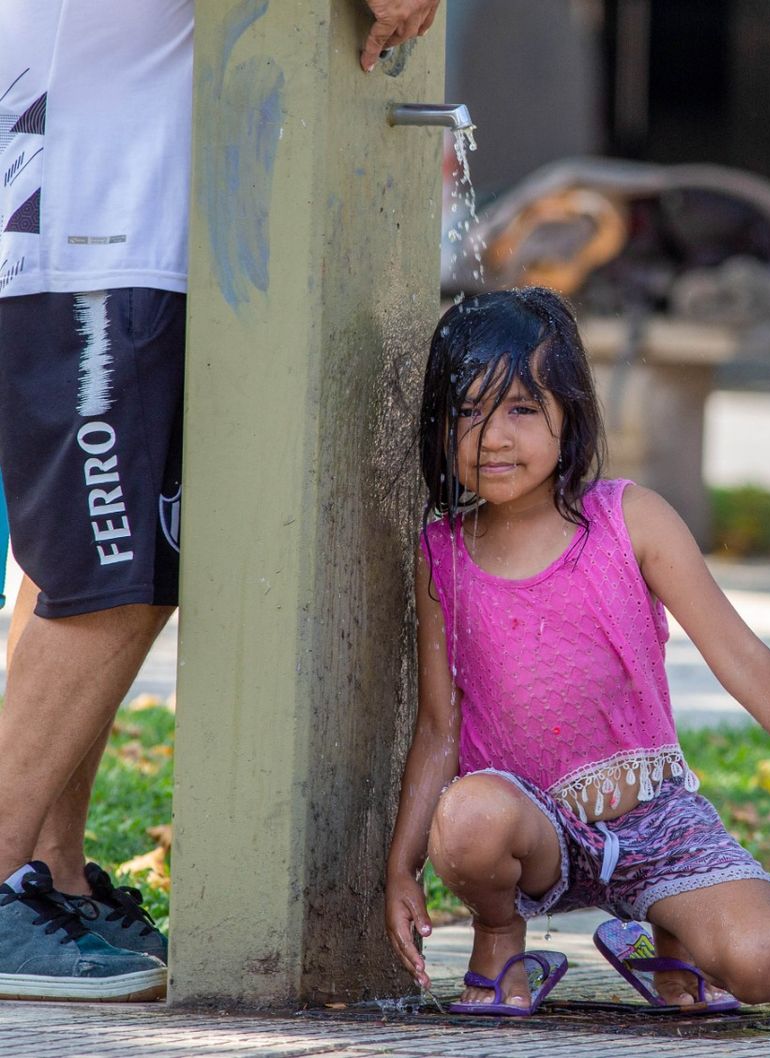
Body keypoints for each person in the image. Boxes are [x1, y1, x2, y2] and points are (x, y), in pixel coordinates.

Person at [0, 0, 442, 1003]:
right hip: (83, 224)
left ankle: (46, 875)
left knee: (96, 564)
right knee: (111, 575)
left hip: (109, 228)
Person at [384, 288, 770, 1015]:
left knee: (764, 965)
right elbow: (439, 726)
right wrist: (401, 868)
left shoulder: (632, 521)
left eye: (522, 410)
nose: (491, 438)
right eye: (467, 412)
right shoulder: (442, 555)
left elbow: (739, 655)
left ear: (571, 414)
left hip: (655, 819)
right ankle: (500, 938)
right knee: (468, 820)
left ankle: (667, 934)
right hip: (533, 829)